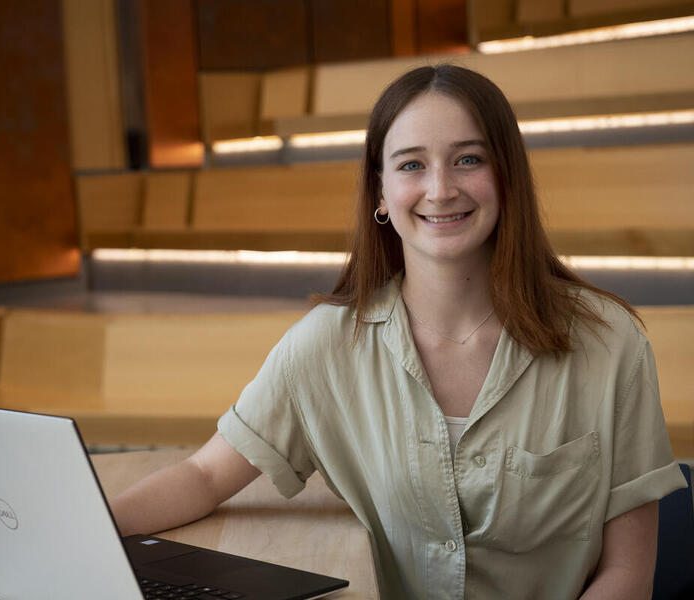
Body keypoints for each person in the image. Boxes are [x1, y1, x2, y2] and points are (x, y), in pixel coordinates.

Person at [111, 65, 686, 599]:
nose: (440, 189)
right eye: (411, 164)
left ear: (508, 176)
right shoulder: (325, 347)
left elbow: (627, 577)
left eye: (468, 159)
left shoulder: (610, 342)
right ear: (381, 192)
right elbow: (205, 474)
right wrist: (77, 526)